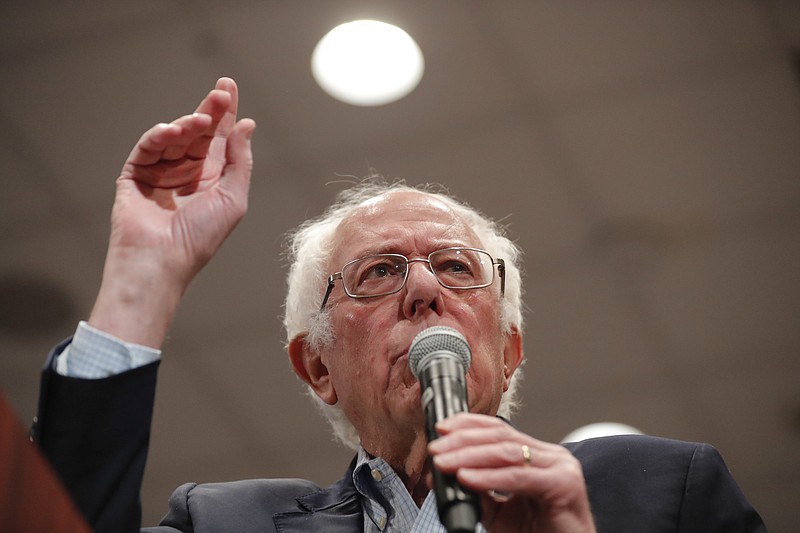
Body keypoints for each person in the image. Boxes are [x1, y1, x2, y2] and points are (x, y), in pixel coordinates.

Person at [32, 78, 766, 533]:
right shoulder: (224, 522)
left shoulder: (666, 492)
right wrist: (141, 278)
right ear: (316, 365)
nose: (424, 289)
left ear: (509, 350)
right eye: (379, 272)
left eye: (455, 266)